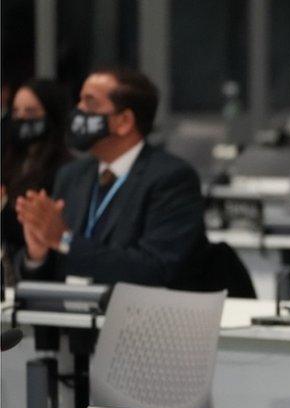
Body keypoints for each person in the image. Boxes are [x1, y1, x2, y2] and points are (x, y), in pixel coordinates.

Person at [14, 68, 206, 287]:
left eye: (90, 104)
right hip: (69, 315)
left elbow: (154, 269)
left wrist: (64, 240)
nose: (78, 111)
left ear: (124, 121)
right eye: (79, 102)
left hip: (135, 316)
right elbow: (49, 275)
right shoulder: (71, 175)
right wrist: (38, 254)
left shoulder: (171, 179)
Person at [1, 79, 72, 278]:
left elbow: (39, 225)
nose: (21, 118)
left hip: (39, 269)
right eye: (15, 111)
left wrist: (4, 205)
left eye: (31, 112)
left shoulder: (66, 169)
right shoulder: (9, 159)